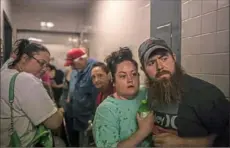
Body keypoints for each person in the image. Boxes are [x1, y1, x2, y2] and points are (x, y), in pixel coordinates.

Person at [138, 37, 230, 147]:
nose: (160, 67)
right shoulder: (150, 93)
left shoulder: (205, 94)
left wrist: (183, 143)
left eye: (164, 58)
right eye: (151, 63)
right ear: (143, 70)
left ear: (174, 58)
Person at [0, 39, 64, 147]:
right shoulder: (26, 79)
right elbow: (54, 123)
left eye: (46, 65)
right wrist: (61, 111)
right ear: (24, 58)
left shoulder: (4, 73)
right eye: (42, 63)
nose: (44, 69)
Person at [93, 47, 154, 147]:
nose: (130, 79)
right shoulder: (106, 110)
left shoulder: (145, 93)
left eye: (134, 74)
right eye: (123, 76)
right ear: (113, 81)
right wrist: (143, 131)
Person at [64, 48, 98, 147]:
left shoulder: (95, 70)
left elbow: (97, 97)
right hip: (76, 116)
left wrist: (94, 120)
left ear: (81, 59)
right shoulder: (77, 69)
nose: (72, 67)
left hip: (88, 119)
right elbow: (73, 87)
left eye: (73, 64)